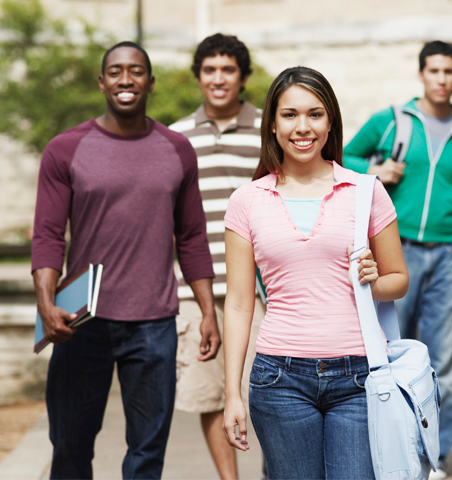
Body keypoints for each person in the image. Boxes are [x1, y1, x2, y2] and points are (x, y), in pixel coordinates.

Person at [31, 41, 219, 479]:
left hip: (153, 324)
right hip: (81, 323)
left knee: (147, 452)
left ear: (150, 82)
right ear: (102, 83)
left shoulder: (177, 149)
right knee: (71, 448)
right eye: (115, 72)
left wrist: (208, 310)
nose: (126, 80)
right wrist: (45, 302)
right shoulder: (65, 148)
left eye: (136, 71)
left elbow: (192, 235)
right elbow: (47, 234)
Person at [221, 66, 409, 480]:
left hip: (359, 376)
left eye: (315, 114)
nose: (302, 127)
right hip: (278, 379)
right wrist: (231, 393)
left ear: (330, 123)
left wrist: (373, 280)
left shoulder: (366, 190)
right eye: (289, 115)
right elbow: (237, 303)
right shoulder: (246, 201)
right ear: (272, 124)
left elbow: (398, 279)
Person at [343, 40, 452, 478]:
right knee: (385, 352)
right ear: (421, 74)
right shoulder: (391, 121)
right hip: (396, 249)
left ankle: (434, 457)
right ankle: (388, 445)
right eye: (434, 71)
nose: (441, 79)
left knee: (445, 360)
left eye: (449, 72)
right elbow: (343, 157)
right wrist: (376, 172)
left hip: (451, 255)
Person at [169, 33, 267, 480]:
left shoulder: (271, 129)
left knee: (267, 391)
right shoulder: (176, 138)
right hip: (195, 291)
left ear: (243, 77)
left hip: (261, 288)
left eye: (228, 69)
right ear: (198, 77)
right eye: (209, 70)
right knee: (208, 395)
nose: (218, 78)